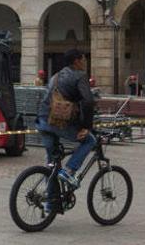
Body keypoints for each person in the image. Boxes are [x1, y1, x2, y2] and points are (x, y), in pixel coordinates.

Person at [36, 49, 96, 193]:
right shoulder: (80, 76)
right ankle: (69, 170)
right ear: (76, 61)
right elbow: (88, 101)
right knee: (90, 141)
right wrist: (86, 127)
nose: (84, 63)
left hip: (43, 120)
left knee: (52, 164)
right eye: (83, 59)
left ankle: (50, 203)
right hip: (59, 122)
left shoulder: (55, 76)